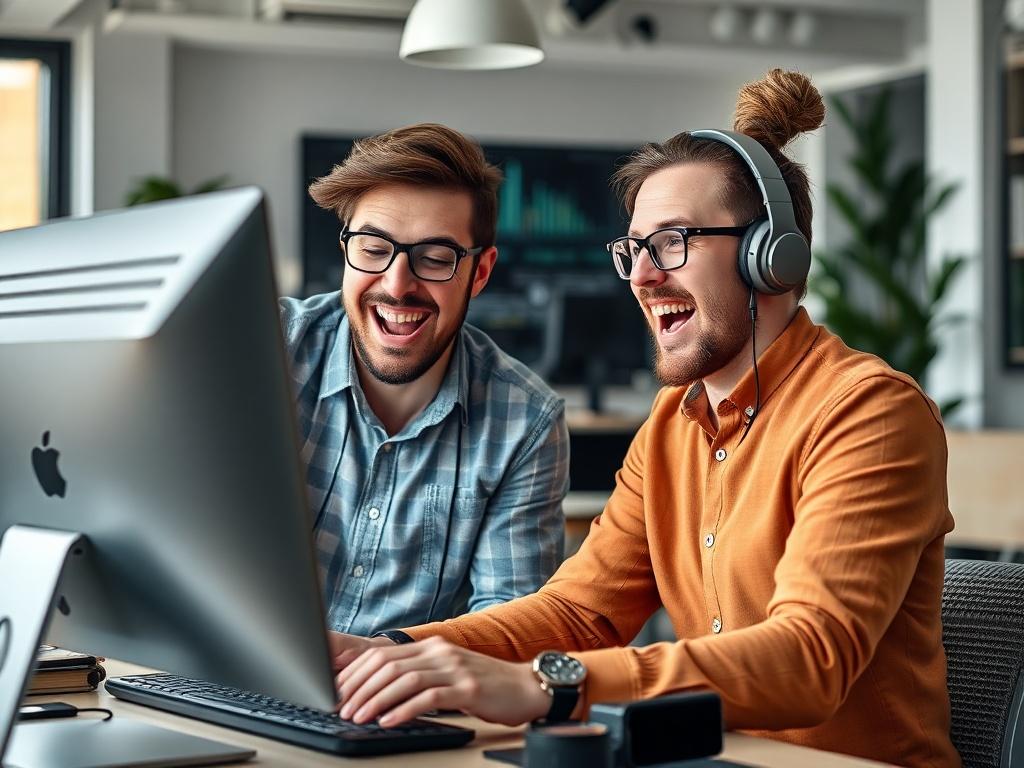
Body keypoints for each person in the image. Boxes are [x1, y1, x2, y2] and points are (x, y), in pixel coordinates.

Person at [325, 71, 960, 768]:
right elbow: (581, 614)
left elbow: (810, 656)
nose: (642, 276)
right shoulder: (671, 426)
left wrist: (547, 685)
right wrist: (396, 652)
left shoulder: (868, 412)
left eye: (674, 242)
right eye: (634, 249)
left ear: (770, 259)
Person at [280, 123, 569, 636]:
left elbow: (507, 628)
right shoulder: (270, 345)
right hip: (219, 684)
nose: (397, 285)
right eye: (372, 249)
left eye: (435, 259)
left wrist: (379, 663)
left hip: (392, 702)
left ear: (480, 273)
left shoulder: (524, 421)